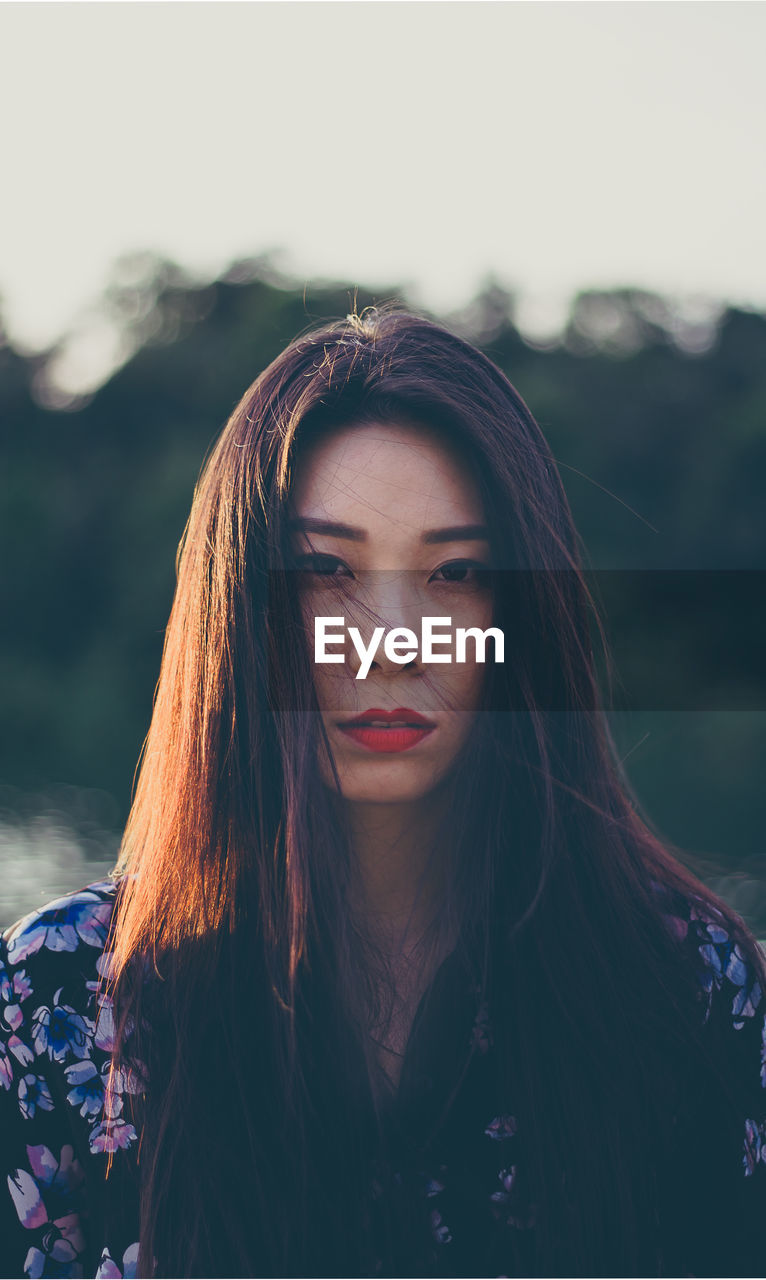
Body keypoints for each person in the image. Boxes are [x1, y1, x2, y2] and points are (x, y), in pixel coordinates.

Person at [1, 306, 764, 1280]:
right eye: (327, 571)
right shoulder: (54, 1006)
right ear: (242, 611)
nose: (393, 642)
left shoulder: (685, 990)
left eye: (455, 571)